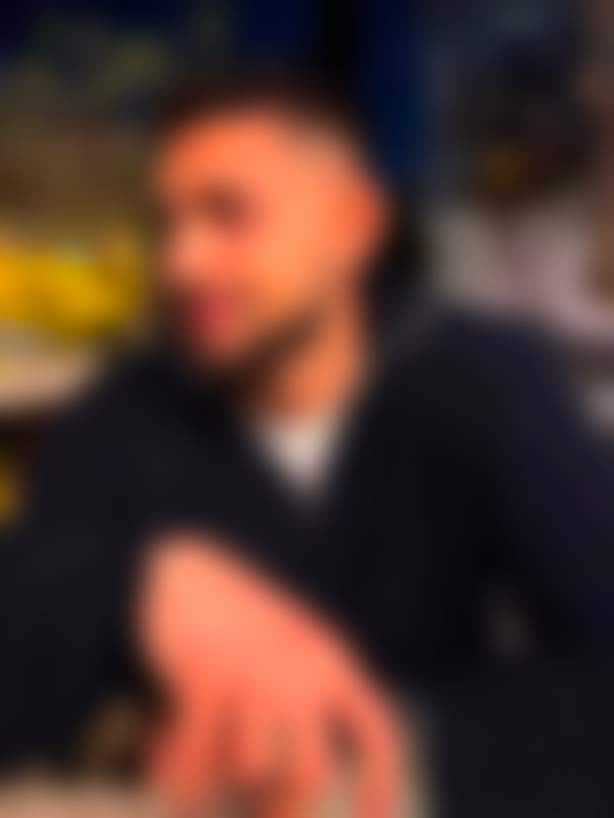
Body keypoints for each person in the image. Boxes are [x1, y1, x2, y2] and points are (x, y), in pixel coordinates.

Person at [2, 70, 614, 817]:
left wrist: (374, 751)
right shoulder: (129, 413)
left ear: (352, 225)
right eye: (171, 223)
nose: (183, 262)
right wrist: (133, 583)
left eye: (229, 215)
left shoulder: (480, 383)